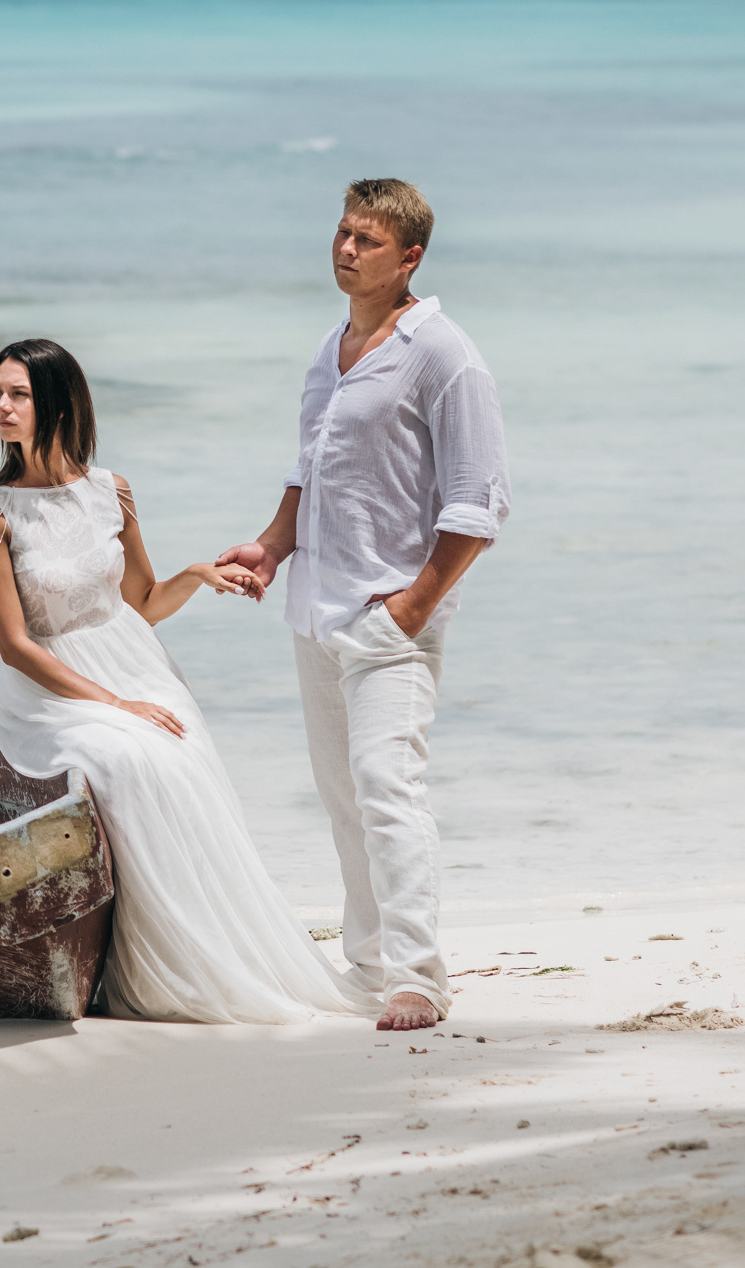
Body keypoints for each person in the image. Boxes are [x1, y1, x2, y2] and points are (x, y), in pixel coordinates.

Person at [0, 338, 380, 1023]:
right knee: (128, 757)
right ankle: (158, 963)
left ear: (59, 404)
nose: (3, 408)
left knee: (182, 750)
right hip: (47, 691)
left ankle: (217, 945)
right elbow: (13, 646)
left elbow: (143, 603)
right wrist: (114, 704)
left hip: (132, 661)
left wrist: (195, 575)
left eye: (19, 395)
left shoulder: (112, 491)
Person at [216, 178, 510, 1032]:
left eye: (368, 240)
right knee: (344, 797)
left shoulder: (444, 354)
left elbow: (479, 502)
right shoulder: (332, 346)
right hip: (317, 606)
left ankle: (419, 978)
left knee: (388, 788)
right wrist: (273, 547)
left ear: (409, 257)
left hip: (389, 620)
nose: (346, 250)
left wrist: (413, 607)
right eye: (343, 233)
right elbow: (311, 466)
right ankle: (370, 966)